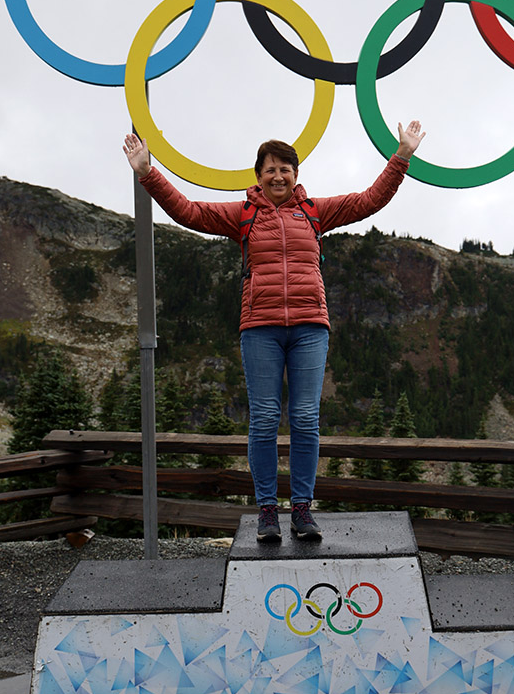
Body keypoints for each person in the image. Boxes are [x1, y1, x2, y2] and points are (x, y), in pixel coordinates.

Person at [122, 121, 426, 543]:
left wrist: (402, 154)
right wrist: (147, 172)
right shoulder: (242, 214)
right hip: (260, 329)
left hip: (309, 328)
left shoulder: (315, 211)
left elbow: (370, 200)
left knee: (304, 418)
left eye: (286, 168)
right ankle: (267, 511)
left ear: (296, 175)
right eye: (270, 170)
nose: (278, 176)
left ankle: (301, 509)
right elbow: (188, 211)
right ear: (258, 177)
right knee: (264, 420)